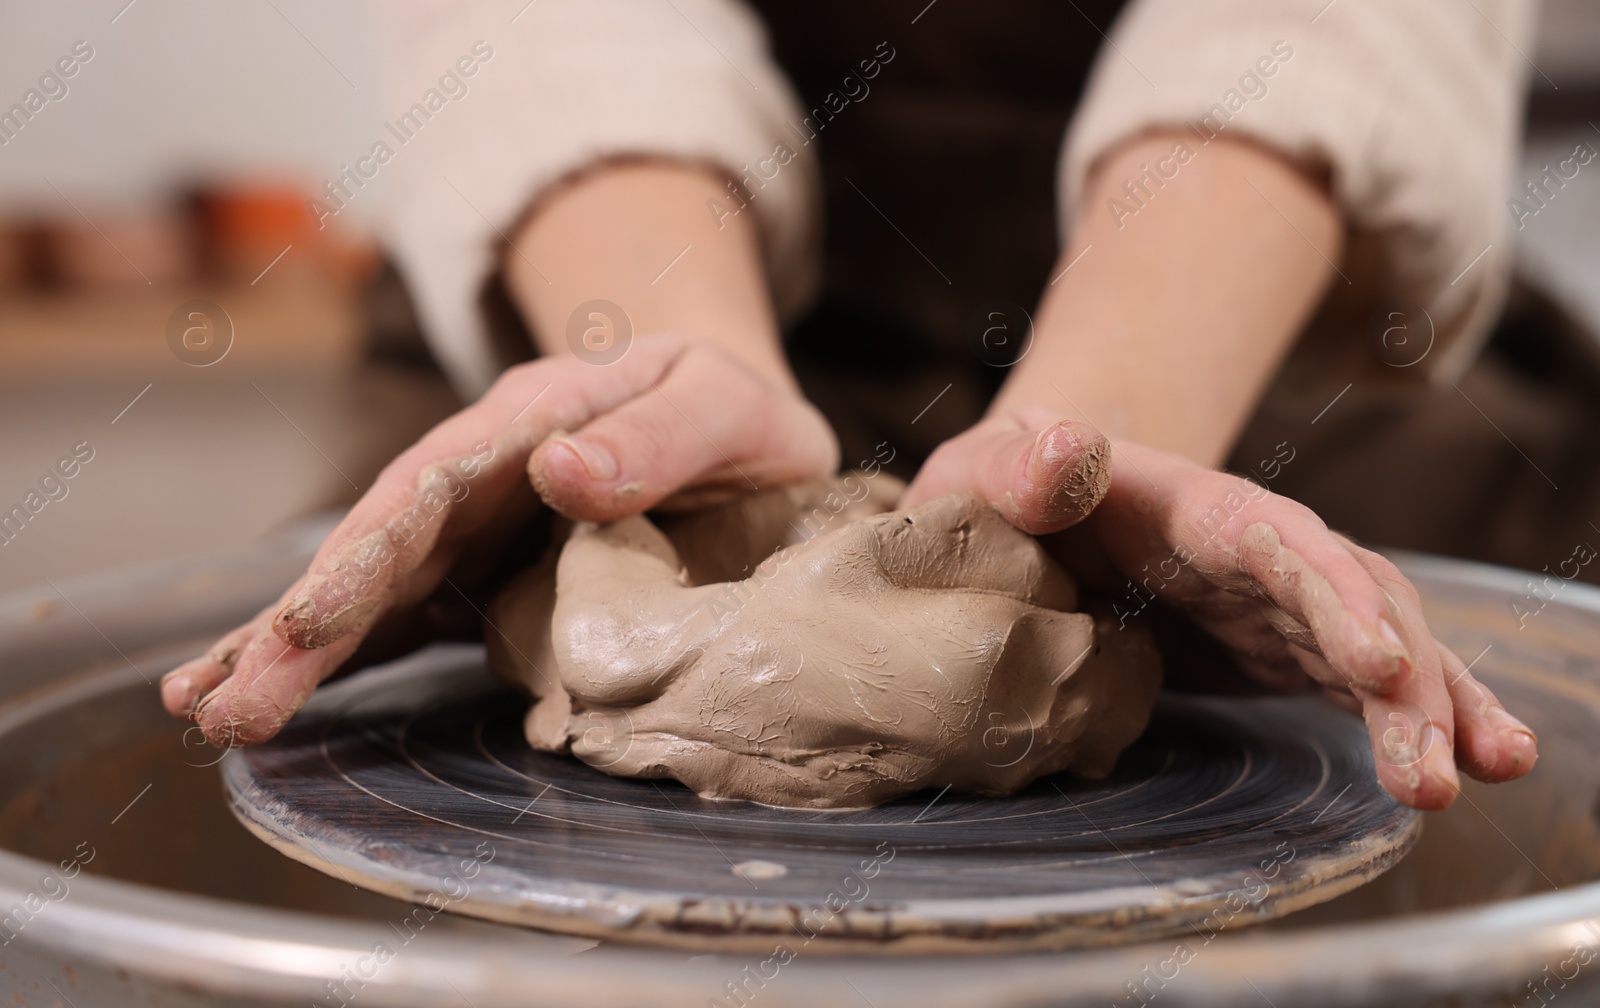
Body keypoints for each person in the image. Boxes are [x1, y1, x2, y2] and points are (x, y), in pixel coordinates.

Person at [160, 0, 1542, 810]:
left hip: (1241, 290)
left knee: (1433, 664)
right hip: (606, 263)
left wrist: (1108, 426)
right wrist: (656, 369)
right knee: (341, 638)